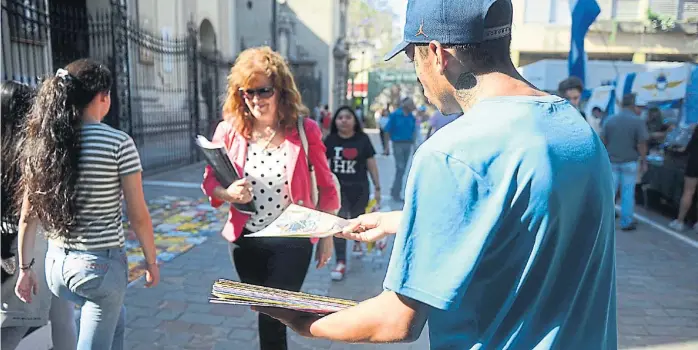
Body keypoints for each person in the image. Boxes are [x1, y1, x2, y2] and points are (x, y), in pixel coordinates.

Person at [254, 1, 618, 349]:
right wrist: (405, 220)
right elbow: (523, 217)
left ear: (438, 54)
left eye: (413, 58)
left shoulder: (451, 154)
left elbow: (397, 320)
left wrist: (303, 321)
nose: (417, 75)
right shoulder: (577, 130)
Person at [13, 59, 159, 350]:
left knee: (116, 320)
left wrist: (25, 269)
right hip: (98, 270)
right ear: (103, 97)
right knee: (104, 312)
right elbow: (137, 214)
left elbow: (29, 215)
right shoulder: (118, 143)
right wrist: (151, 260)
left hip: (55, 266)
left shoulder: (45, 143)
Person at [200, 46, 339, 350]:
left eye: (263, 91)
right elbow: (210, 182)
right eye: (247, 92)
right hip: (246, 241)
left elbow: (328, 187)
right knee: (266, 311)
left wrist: (328, 236)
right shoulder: (229, 131)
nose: (255, 100)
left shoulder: (305, 130)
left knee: (275, 315)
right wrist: (228, 193)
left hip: (293, 240)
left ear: (281, 91)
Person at [1, 81, 77, 350]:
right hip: (35, 248)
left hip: (11, 250)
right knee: (54, 318)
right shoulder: (33, 153)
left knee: (20, 321)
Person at [323, 106, 381, 280]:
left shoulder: (362, 140)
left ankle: (357, 242)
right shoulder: (330, 140)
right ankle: (340, 262)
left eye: (348, 117)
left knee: (357, 218)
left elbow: (371, 164)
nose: (344, 120)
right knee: (339, 223)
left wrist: (378, 187)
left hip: (359, 187)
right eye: (340, 117)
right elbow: (323, 164)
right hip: (337, 190)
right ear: (335, 121)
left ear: (355, 121)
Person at [600, 93, 649, 231]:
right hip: (629, 163)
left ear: (622, 105)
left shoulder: (610, 120)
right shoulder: (637, 121)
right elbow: (641, 144)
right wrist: (644, 160)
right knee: (628, 193)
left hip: (611, 162)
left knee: (609, 193)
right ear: (633, 105)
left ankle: (604, 222)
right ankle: (626, 222)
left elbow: (602, 141)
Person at [383, 97, 417, 201]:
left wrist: (415, 146)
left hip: (408, 144)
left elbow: (414, 131)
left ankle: (395, 191)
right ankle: (396, 192)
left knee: (402, 170)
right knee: (400, 168)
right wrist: (386, 147)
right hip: (397, 144)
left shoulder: (411, 117)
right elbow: (387, 131)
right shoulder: (395, 115)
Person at [669, 124, 698, 232]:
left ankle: (680, 222)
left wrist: (676, 150)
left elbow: (688, 148)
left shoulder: (696, 128)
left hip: (694, 163)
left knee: (688, 192)